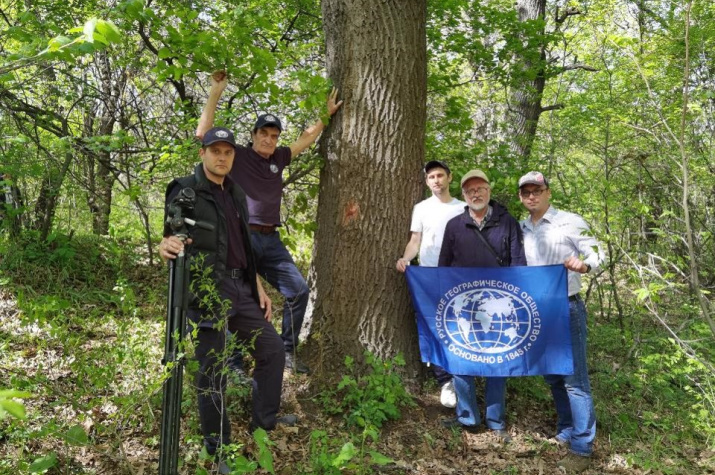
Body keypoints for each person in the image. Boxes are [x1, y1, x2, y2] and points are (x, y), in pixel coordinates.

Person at [158, 127, 296, 472]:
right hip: (207, 293)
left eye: (227, 152)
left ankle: (263, 425)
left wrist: (258, 286)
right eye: (215, 151)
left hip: (241, 289)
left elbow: (242, 247)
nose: (222, 158)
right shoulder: (185, 189)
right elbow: (172, 234)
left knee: (273, 350)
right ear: (203, 153)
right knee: (213, 372)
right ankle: (219, 448)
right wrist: (166, 246)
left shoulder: (235, 191)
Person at [196, 71, 343, 374]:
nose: (269, 139)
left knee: (298, 289)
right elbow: (205, 133)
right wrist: (215, 93)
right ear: (253, 135)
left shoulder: (279, 159)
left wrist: (325, 116)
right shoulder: (237, 156)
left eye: (274, 135)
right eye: (264, 133)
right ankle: (235, 364)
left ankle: (287, 351)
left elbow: (306, 138)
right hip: (242, 237)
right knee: (238, 294)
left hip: (270, 240)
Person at [518, 171, 604, 473]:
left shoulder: (569, 221)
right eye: (526, 192)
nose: (532, 196)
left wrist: (586, 264)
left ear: (547, 192)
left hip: (567, 307)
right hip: (537, 310)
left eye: (537, 190)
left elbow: (597, 250)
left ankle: (582, 446)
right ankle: (567, 428)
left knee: (575, 379)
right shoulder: (522, 228)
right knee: (553, 375)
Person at [437, 169, 526, 442]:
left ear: (489, 190)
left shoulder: (507, 222)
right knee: (461, 360)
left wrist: (515, 299)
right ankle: (468, 418)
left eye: (480, 189)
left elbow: (517, 263)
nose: (475, 194)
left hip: (498, 305)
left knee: (497, 362)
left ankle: (496, 420)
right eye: (470, 190)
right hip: (463, 305)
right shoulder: (454, 225)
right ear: (464, 194)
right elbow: (444, 266)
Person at [396, 160, 464, 408]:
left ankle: (462, 377)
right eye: (431, 177)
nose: (436, 180)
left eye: (440, 175)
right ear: (427, 181)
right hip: (427, 276)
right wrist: (405, 258)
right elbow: (415, 240)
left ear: (449, 177)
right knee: (432, 326)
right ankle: (445, 379)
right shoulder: (422, 208)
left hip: (457, 277)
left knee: (458, 326)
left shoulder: (463, 207)